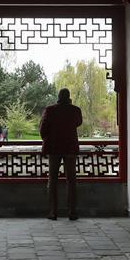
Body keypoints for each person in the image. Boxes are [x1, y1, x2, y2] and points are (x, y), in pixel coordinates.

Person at [39, 88, 83, 220]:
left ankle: (53, 212)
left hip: (54, 148)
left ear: (58, 97)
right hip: (70, 148)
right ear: (68, 97)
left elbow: (43, 129)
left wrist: (47, 139)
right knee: (71, 180)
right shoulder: (75, 110)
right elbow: (78, 123)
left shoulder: (50, 110)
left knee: (52, 180)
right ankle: (72, 212)